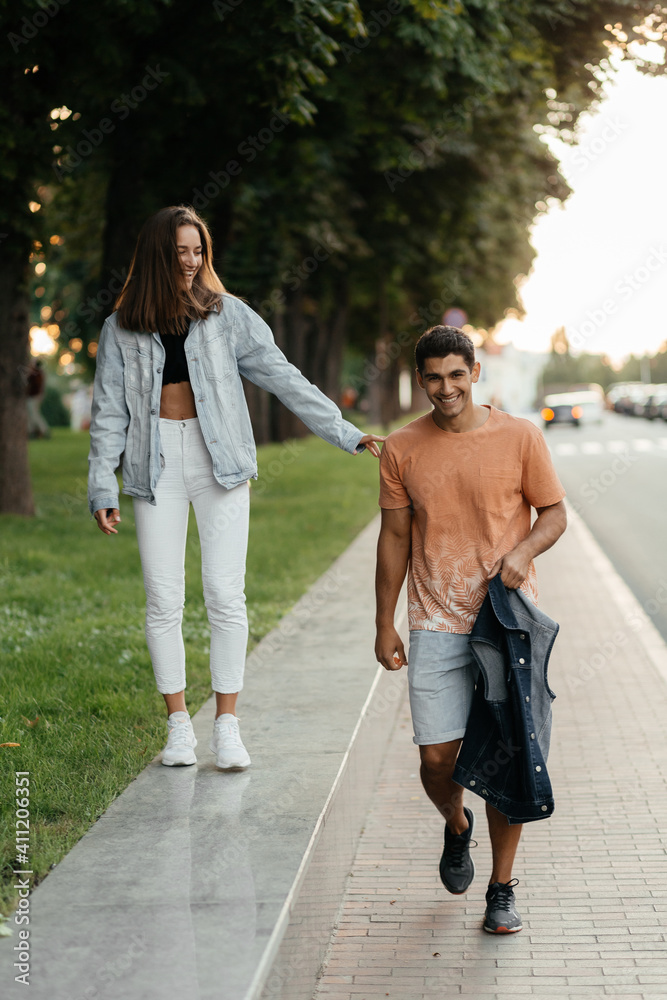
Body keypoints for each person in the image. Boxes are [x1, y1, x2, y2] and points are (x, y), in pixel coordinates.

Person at [87, 205, 383, 771]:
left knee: (225, 594)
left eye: (198, 251)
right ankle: (178, 727)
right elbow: (107, 415)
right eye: (179, 252)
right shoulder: (121, 326)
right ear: (157, 255)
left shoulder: (228, 315)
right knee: (163, 600)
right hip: (154, 467)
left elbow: (283, 376)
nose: (191, 262)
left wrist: (344, 432)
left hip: (218, 461)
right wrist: (102, 487)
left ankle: (226, 725)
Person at [374, 326, 566, 934]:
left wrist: (525, 551)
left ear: (475, 373)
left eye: (457, 375)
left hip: (507, 624)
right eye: (434, 377)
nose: (446, 388)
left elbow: (554, 513)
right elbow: (395, 538)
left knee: (508, 757)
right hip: (434, 620)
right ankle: (457, 826)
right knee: (437, 760)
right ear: (421, 380)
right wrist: (385, 622)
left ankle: (501, 888)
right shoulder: (402, 449)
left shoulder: (519, 437)